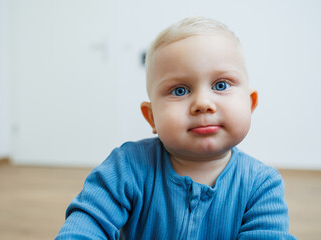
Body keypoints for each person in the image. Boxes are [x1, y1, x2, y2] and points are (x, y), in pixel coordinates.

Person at [55, 16, 296, 239]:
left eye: (221, 85)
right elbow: (87, 224)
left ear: (250, 104)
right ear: (151, 118)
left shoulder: (262, 185)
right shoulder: (126, 167)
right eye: (180, 90)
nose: (203, 104)